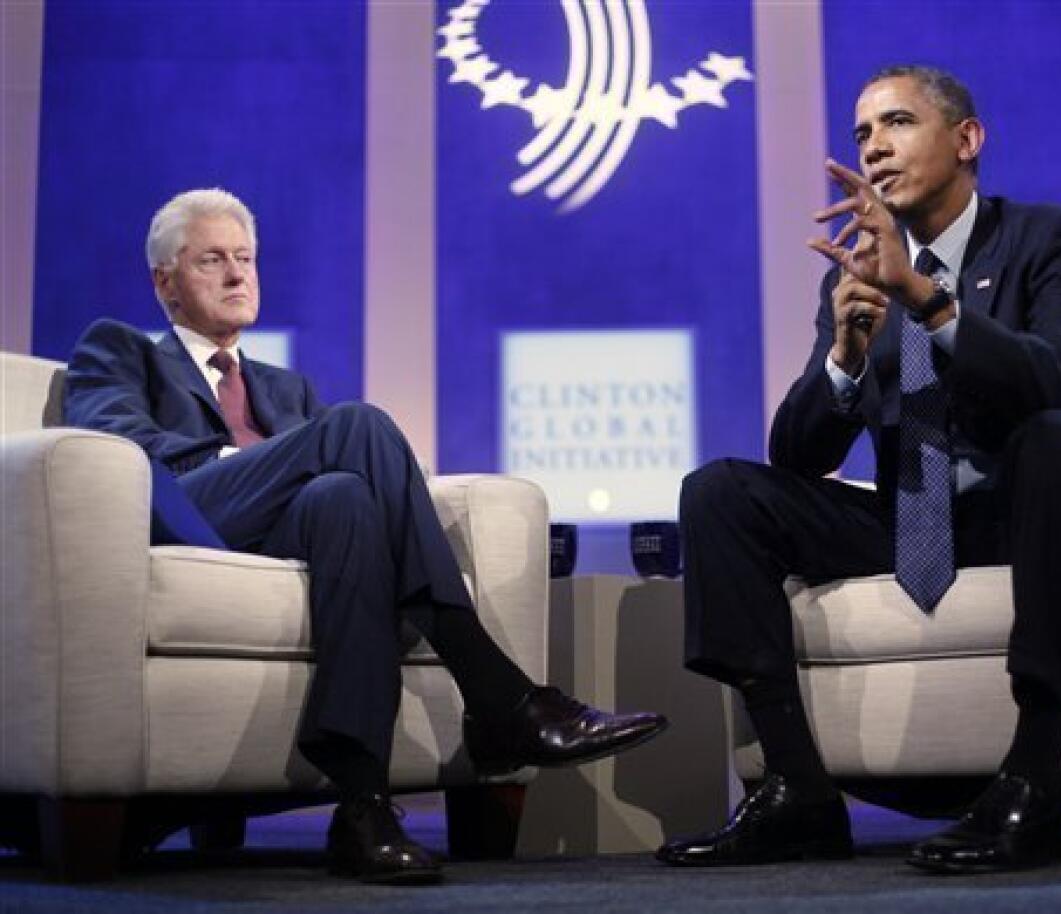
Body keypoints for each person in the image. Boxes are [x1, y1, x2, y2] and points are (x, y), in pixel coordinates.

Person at [65, 188, 668, 885]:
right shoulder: (118, 347)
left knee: (347, 498)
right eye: (212, 261)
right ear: (164, 281)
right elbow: (119, 442)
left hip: (284, 535)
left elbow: (331, 488)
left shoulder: (285, 388)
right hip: (190, 512)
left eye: (246, 258)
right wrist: (259, 465)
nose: (237, 275)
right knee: (360, 426)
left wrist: (294, 472)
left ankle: (362, 808)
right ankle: (500, 694)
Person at [656, 65, 1061, 873]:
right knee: (722, 493)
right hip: (916, 521)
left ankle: (1032, 779)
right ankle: (797, 791)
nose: (874, 148)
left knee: (1056, 437)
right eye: (862, 134)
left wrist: (928, 301)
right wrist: (844, 355)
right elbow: (797, 458)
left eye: (897, 124)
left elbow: (1059, 384)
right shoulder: (858, 276)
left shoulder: (1049, 238)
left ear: (967, 139)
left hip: (1030, 510)